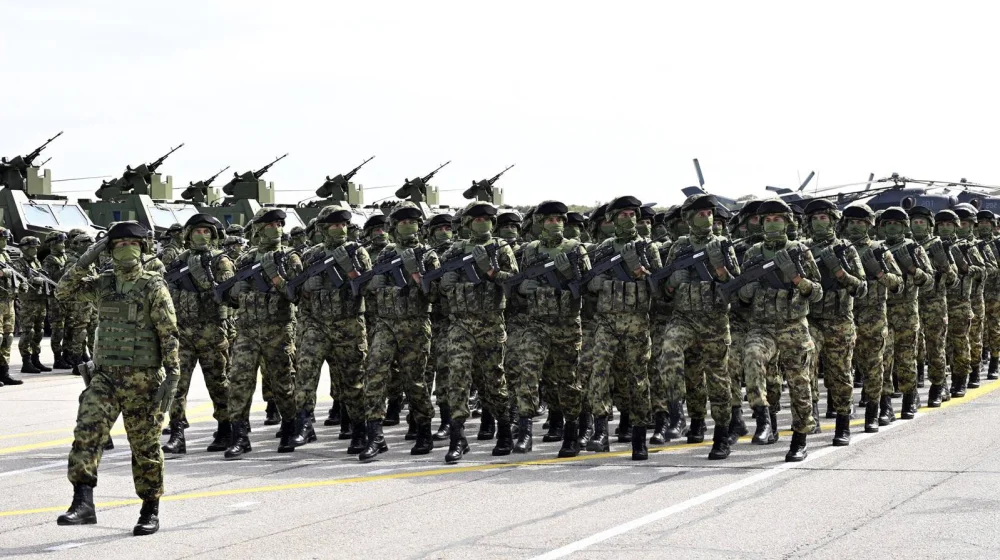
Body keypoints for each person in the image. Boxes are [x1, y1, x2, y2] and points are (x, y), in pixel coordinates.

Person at [54, 221, 180, 536]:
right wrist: (89, 255)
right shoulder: (103, 283)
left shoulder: (153, 286)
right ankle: (82, 503)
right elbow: (62, 291)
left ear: (143, 248)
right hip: (105, 376)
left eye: (132, 243)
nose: (126, 249)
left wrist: (172, 377)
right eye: (119, 243)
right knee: (86, 433)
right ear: (110, 250)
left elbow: (169, 335)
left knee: (145, 446)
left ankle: (150, 508)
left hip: (144, 378)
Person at [740, 199, 823, 462]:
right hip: (762, 327)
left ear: (788, 222)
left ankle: (800, 439)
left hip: (794, 327)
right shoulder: (753, 253)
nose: (773, 223)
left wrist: (797, 279)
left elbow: (818, 292)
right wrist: (746, 289)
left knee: (800, 384)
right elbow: (740, 296)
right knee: (752, 357)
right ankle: (764, 416)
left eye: (778, 219)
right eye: (768, 220)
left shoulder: (800, 251)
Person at [658, 194, 739, 459]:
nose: (707, 218)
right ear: (689, 219)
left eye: (709, 214)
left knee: (717, 379)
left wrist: (720, 272)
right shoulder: (679, 247)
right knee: (669, 349)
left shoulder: (724, 245)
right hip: (684, 318)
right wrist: (672, 283)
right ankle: (676, 410)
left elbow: (737, 289)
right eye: (700, 214)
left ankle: (721, 435)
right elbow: (663, 292)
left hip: (714, 321)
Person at [435, 201, 518, 463]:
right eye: (477, 218)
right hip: (459, 324)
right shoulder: (454, 251)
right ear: (468, 223)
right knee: (457, 379)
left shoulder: (501, 249)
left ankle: (504, 430)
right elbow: (433, 290)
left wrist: (492, 272)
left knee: (493, 380)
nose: (483, 222)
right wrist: (443, 286)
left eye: (487, 218)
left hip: (490, 323)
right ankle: (458, 437)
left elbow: (516, 283)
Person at [507, 200, 591, 457]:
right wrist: (520, 290)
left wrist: (569, 275)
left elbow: (588, 287)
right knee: (527, 374)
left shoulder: (576, 249)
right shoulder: (529, 250)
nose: (554, 224)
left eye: (558, 220)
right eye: (549, 220)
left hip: (566, 325)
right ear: (539, 223)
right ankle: (524, 432)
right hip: (536, 325)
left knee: (567, 381)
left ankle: (571, 433)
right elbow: (516, 286)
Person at [290, 205, 372, 455]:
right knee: (305, 372)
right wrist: (306, 287)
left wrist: (350, 271)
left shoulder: (357, 252)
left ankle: (360, 429)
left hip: (348, 324)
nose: (341, 229)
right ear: (323, 228)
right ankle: (303, 422)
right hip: (316, 324)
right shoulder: (311, 255)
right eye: (335, 225)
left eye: (343, 225)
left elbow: (369, 286)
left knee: (353, 379)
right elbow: (294, 294)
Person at [586, 196, 661, 460]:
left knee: (637, 378)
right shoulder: (603, 249)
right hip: (607, 321)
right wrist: (601, 282)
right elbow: (590, 284)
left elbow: (660, 288)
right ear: (613, 219)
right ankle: (600, 431)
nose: (629, 220)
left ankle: (639, 437)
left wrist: (639, 271)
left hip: (637, 322)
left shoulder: (647, 248)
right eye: (623, 215)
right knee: (600, 373)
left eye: (633, 215)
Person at [223, 209, 304, 458]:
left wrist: (277, 280)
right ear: (258, 228)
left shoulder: (290, 258)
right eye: (270, 224)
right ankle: (239, 436)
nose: (276, 228)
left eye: (279, 224)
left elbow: (297, 295)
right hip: (247, 330)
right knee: (239, 381)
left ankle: (291, 426)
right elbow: (232, 299)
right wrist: (236, 290)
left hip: (278, 329)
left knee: (283, 381)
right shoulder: (246, 259)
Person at [161, 214, 236, 455]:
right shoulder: (178, 262)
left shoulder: (220, 261)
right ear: (188, 234)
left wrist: (204, 278)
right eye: (197, 232)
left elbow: (229, 296)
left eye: (207, 232)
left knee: (219, 383)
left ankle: (226, 429)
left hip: (212, 332)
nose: (202, 236)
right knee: (176, 385)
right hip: (182, 333)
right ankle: (177, 432)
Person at [803, 199, 866, 445]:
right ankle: (812, 415)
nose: (820, 223)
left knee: (840, 373)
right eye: (816, 219)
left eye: (825, 218)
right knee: (806, 370)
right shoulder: (803, 248)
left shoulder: (846, 249)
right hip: (812, 320)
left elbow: (861, 288)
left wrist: (840, 272)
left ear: (833, 221)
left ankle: (842, 423)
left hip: (840, 321)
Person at [14, 236, 50, 373]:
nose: (35, 250)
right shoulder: (19, 263)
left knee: (39, 332)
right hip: (28, 302)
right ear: (24, 248)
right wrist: (33, 279)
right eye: (32, 247)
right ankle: (26, 361)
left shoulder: (36, 262)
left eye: (36, 247)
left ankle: (36, 358)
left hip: (39, 300)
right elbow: (19, 279)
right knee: (28, 332)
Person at [0, 227, 21, 386]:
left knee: (8, 337)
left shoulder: (5, 254)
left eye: (6, 239)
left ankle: (4, 372)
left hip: (9, 301)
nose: (4, 242)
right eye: (2, 238)